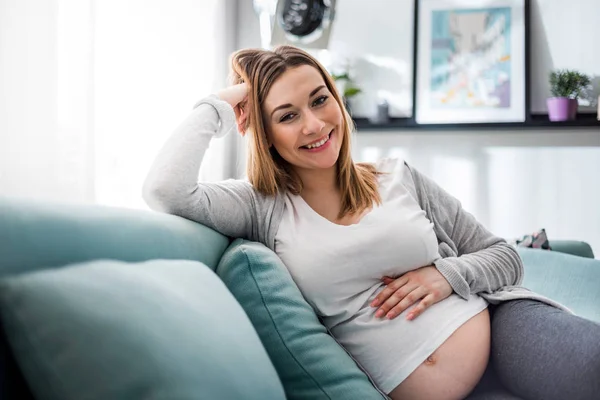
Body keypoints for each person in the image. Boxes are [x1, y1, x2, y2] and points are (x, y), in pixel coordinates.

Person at [142, 45, 600, 400]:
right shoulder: (260, 205)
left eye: (320, 100)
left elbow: (504, 256)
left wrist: (445, 275)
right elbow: (166, 190)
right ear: (263, 133)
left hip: (503, 332)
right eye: (287, 115)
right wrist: (218, 107)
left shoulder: (397, 176)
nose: (315, 124)